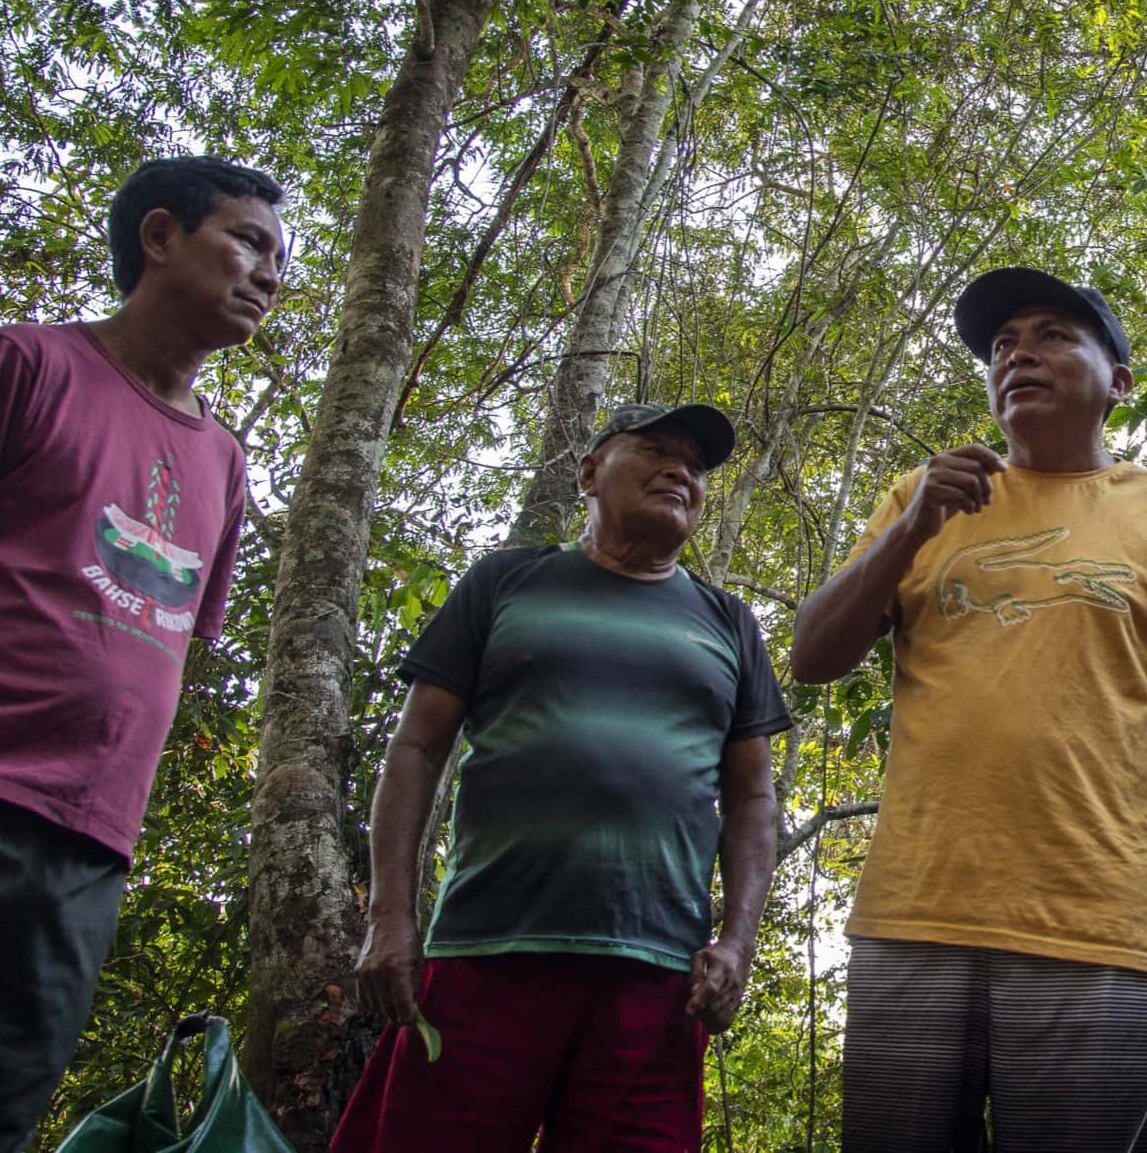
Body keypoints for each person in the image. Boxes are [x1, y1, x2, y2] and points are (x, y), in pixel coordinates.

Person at [790, 267, 1147, 1152]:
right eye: (1003, 344)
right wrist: (911, 528)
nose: (1020, 354)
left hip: (1091, 926)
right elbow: (812, 656)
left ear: (1118, 379)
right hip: (912, 917)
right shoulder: (922, 496)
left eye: (1052, 334)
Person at [332, 402, 790, 1153]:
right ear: (588, 472)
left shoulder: (728, 621)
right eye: (654, 450)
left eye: (697, 465)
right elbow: (416, 747)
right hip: (488, 950)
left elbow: (751, 796)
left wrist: (737, 941)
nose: (681, 470)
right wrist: (391, 916)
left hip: (656, 974)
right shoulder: (507, 581)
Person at [0, 157, 286, 1150]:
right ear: (160, 236)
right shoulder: (27, 367)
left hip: (88, 848)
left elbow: (165, 643)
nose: (269, 272)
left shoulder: (223, 461)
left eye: (280, 258)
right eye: (248, 240)